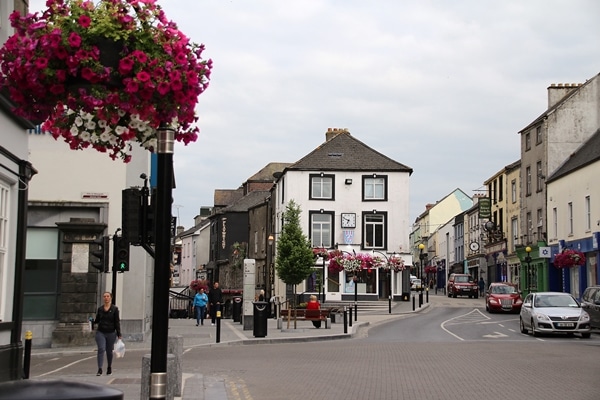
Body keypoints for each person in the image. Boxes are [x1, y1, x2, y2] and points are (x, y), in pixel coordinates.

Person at [93, 292, 122, 376]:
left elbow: (117, 322)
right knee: (101, 349)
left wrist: (119, 333)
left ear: (111, 298)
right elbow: (97, 320)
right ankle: (100, 369)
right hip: (101, 332)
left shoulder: (114, 309)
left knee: (109, 351)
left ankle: (109, 367)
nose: (106, 298)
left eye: (107, 296)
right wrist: (92, 322)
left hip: (111, 332)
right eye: (104, 296)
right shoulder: (100, 309)